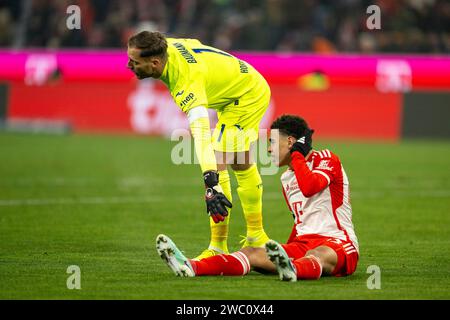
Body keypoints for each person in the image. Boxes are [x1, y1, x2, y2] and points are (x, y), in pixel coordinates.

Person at [156, 114, 359, 281]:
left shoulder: (325, 158)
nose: (269, 149)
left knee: (317, 255)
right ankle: (191, 265)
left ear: (290, 142)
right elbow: (300, 221)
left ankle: (294, 269)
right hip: (302, 244)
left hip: (338, 243)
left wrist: (297, 155)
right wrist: (284, 250)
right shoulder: (287, 178)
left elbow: (310, 187)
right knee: (251, 252)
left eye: (272, 142)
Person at [127, 31, 271, 259]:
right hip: (242, 85)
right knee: (241, 162)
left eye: (135, 62)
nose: (129, 65)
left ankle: (218, 247)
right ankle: (257, 235)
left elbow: (202, 134)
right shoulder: (166, 47)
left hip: (246, 96)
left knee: (218, 159)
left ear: (155, 63)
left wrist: (210, 182)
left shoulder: (186, 82)